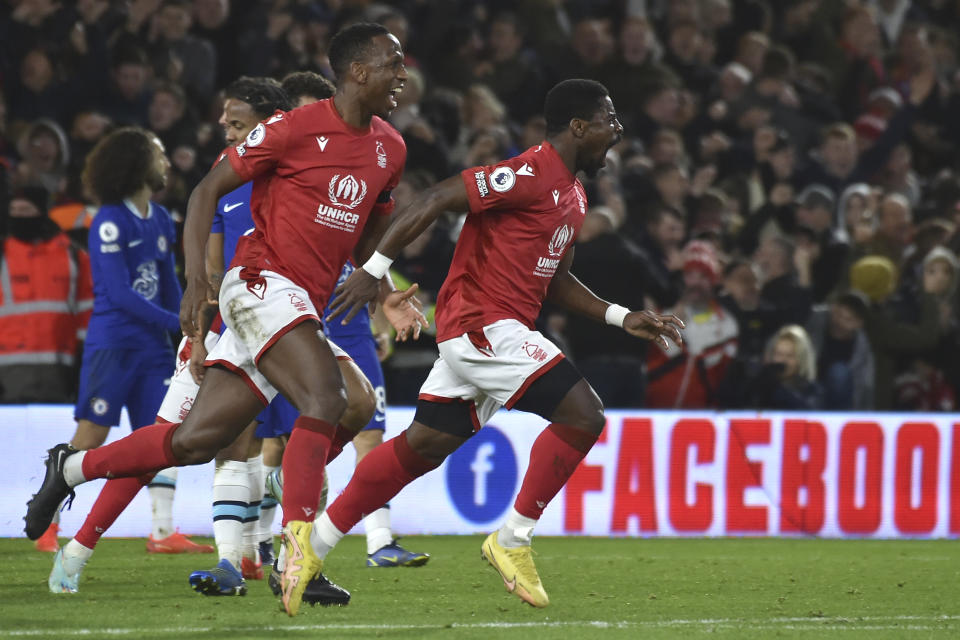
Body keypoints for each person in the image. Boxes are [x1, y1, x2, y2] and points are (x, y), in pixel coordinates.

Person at [25, 23, 424, 617]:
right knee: (328, 395)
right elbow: (206, 191)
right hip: (258, 285)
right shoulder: (291, 129)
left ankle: (73, 466)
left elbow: (369, 231)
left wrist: (383, 288)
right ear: (358, 71)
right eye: (393, 63)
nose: (404, 74)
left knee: (197, 441)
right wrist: (195, 283)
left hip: (298, 305)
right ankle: (297, 556)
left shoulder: (391, 147)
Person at [318, 79, 683, 610]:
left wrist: (620, 316)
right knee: (584, 415)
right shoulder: (530, 172)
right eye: (609, 120)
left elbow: (553, 278)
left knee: (421, 448)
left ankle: (310, 546)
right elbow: (439, 197)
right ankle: (511, 539)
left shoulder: (574, 194)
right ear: (579, 127)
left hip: (494, 331)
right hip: (482, 325)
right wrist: (375, 271)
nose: (617, 131)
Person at [259, 70, 429, 571]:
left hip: (347, 311)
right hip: (286, 306)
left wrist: (385, 296)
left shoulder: (376, 151)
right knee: (281, 438)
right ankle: (271, 537)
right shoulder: (277, 167)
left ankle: (379, 540)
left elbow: (367, 242)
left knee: (369, 426)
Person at [40, 126, 212, 575]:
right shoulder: (110, 220)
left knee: (157, 439)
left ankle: (161, 531)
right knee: (93, 435)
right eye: (158, 153)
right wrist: (176, 323)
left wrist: (187, 318)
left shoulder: (158, 218)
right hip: (113, 345)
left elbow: (171, 282)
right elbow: (116, 294)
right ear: (136, 162)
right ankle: (49, 520)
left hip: (153, 348)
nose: (166, 161)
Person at [0, 187, 92, 406]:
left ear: (41, 211)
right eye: (14, 210)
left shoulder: (73, 254)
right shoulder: (2, 252)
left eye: (26, 209)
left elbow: (87, 308)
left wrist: (83, 358)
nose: (19, 216)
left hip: (60, 369)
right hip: (8, 372)